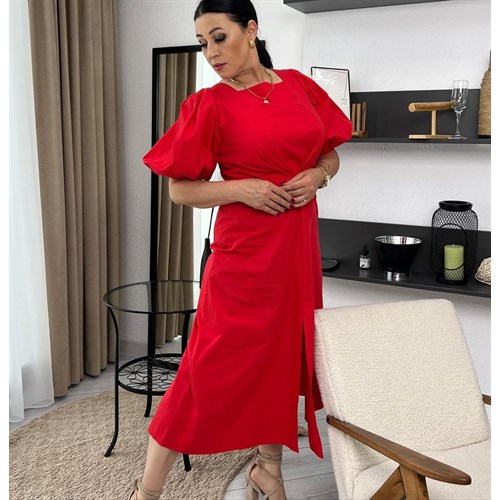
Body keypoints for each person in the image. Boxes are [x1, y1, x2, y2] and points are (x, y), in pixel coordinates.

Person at [130, 0, 351, 498]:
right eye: (202, 43)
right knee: (200, 372)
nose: (210, 52)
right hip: (243, 261)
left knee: (280, 363)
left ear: (251, 30)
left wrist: (318, 175)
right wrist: (240, 189)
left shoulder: (300, 87)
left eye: (218, 37)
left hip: (295, 254)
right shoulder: (208, 105)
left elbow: (330, 153)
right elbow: (179, 190)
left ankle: (267, 471)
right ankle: (147, 492)